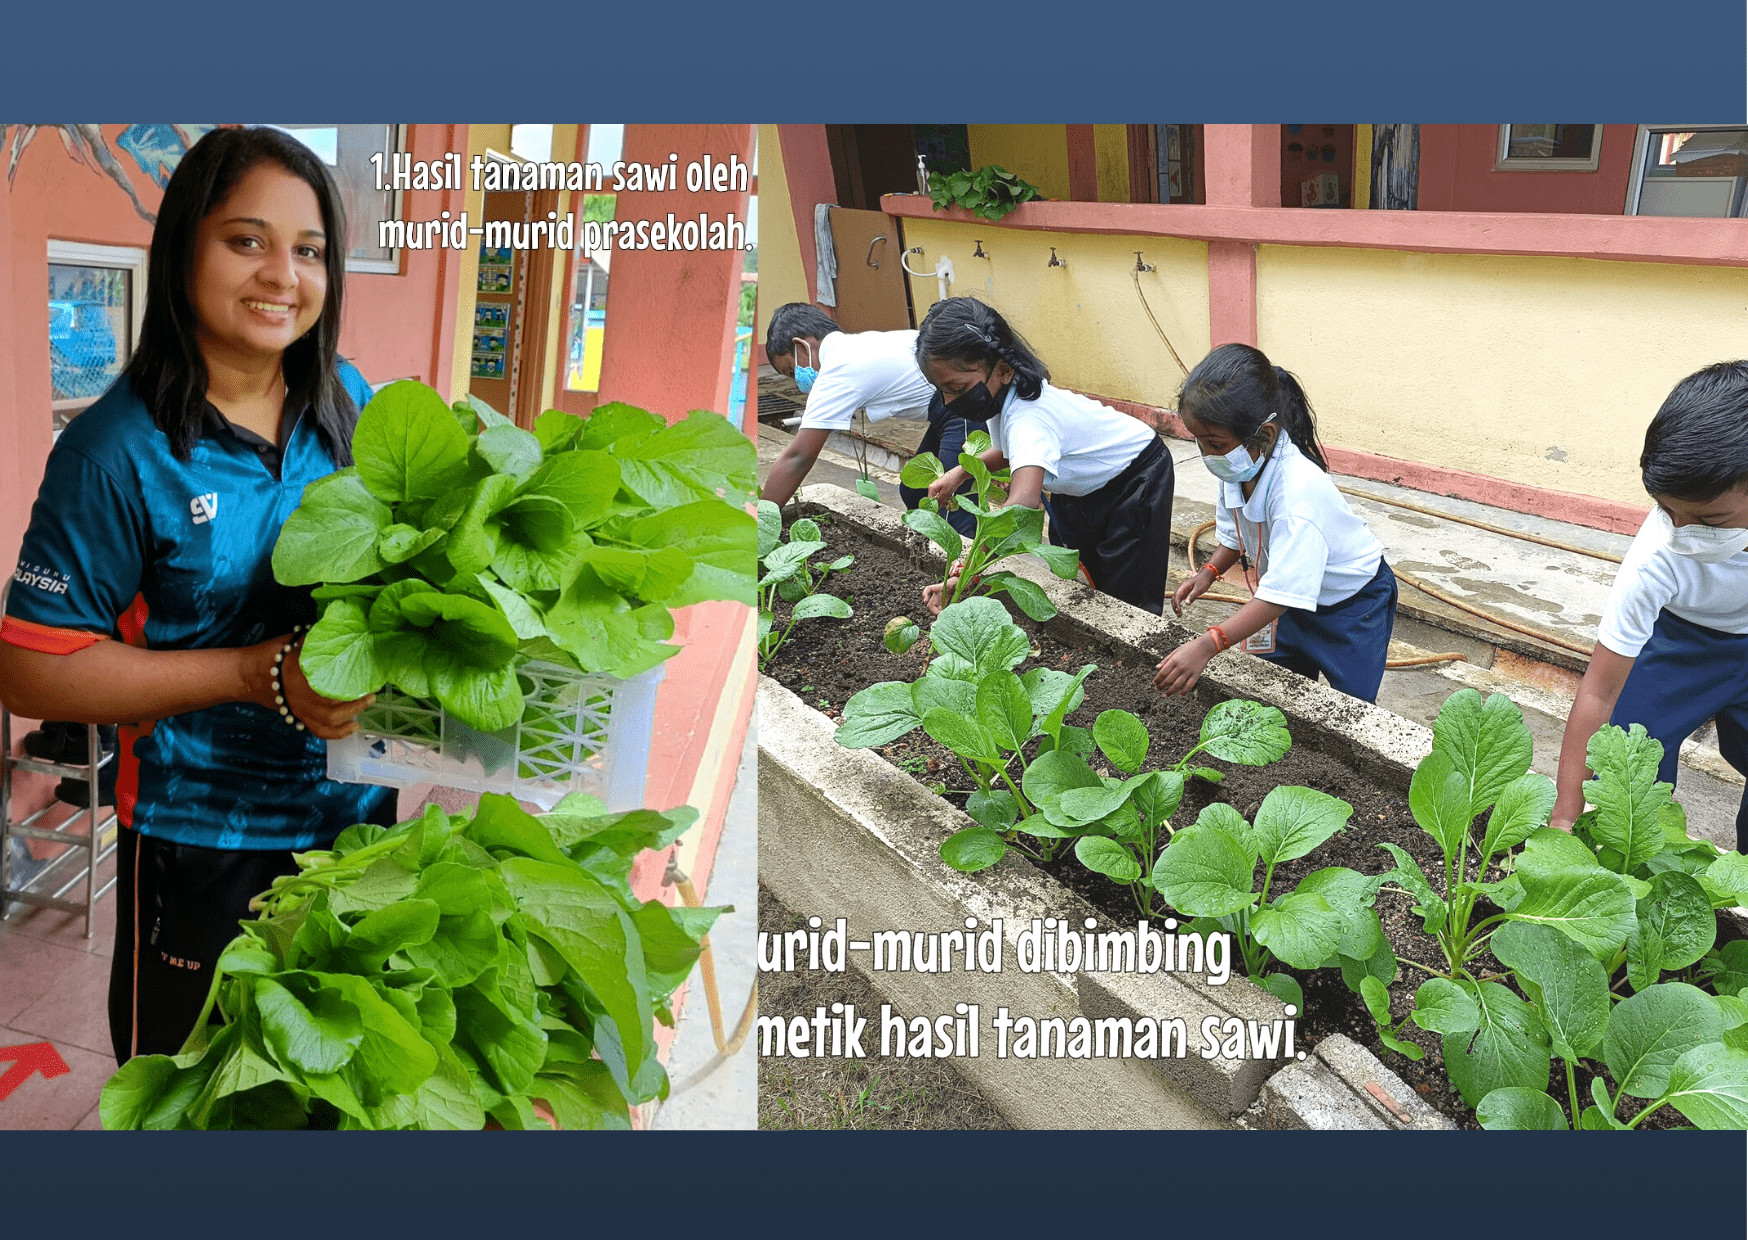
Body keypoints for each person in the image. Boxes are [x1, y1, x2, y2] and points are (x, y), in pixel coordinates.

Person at [0, 126, 395, 1063]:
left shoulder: (346, 401)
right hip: (201, 850)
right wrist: (260, 674)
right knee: (197, 1111)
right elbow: (32, 672)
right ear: (182, 249)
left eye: (308, 252)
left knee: (339, 1096)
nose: (281, 276)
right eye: (246, 240)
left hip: (358, 831)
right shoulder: (115, 450)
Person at [1553, 360, 1748, 852]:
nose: (1680, 532)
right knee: (1626, 771)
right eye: (1666, 510)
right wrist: (1564, 817)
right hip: (1678, 641)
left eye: (1707, 518)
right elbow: (1599, 691)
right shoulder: (1656, 557)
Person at [1155, 343, 1396, 703]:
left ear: (1265, 435)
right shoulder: (1237, 465)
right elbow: (1237, 536)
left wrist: (1208, 644)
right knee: (1275, 685)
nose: (1207, 455)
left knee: (1352, 708)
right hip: (1289, 599)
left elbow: (1278, 597)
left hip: (1351, 608)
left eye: (1215, 443)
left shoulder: (1298, 496)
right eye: (1199, 442)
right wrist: (1207, 573)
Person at [916, 297, 1174, 615]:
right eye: (940, 389)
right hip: (1085, 484)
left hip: (1136, 476)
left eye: (956, 387)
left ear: (1004, 370)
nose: (948, 400)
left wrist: (967, 566)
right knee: (1083, 562)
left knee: (1128, 589)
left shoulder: (1029, 416)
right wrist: (961, 472)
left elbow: (1023, 502)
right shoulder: (1002, 399)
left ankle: (1137, 647)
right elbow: (1013, 453)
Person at [759, 302, 983, 535]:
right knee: (915, 491)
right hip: (947, 408)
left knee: (951, 509)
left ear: (801, 346)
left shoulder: (838, 368)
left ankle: (971, 566)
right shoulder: (857, 346)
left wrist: (760, 522)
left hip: (965, 405)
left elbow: (797, 458)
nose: (797, 380)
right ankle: (929, 555)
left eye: (791, 371)